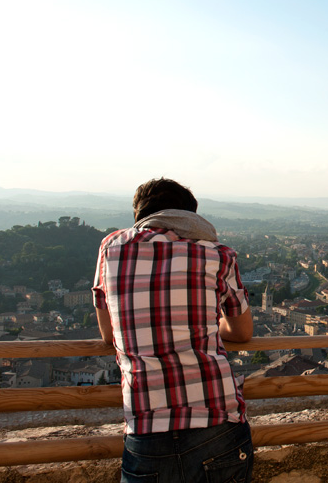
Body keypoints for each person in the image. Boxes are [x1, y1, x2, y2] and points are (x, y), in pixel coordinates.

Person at [93, 178, 254, 483]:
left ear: (140, 215)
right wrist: (204, 324)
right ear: (190, 216)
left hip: (147, 426)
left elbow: (108, 334)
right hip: (218, 418)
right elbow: (242, 331)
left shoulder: (111, 249)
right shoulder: (218, 255)